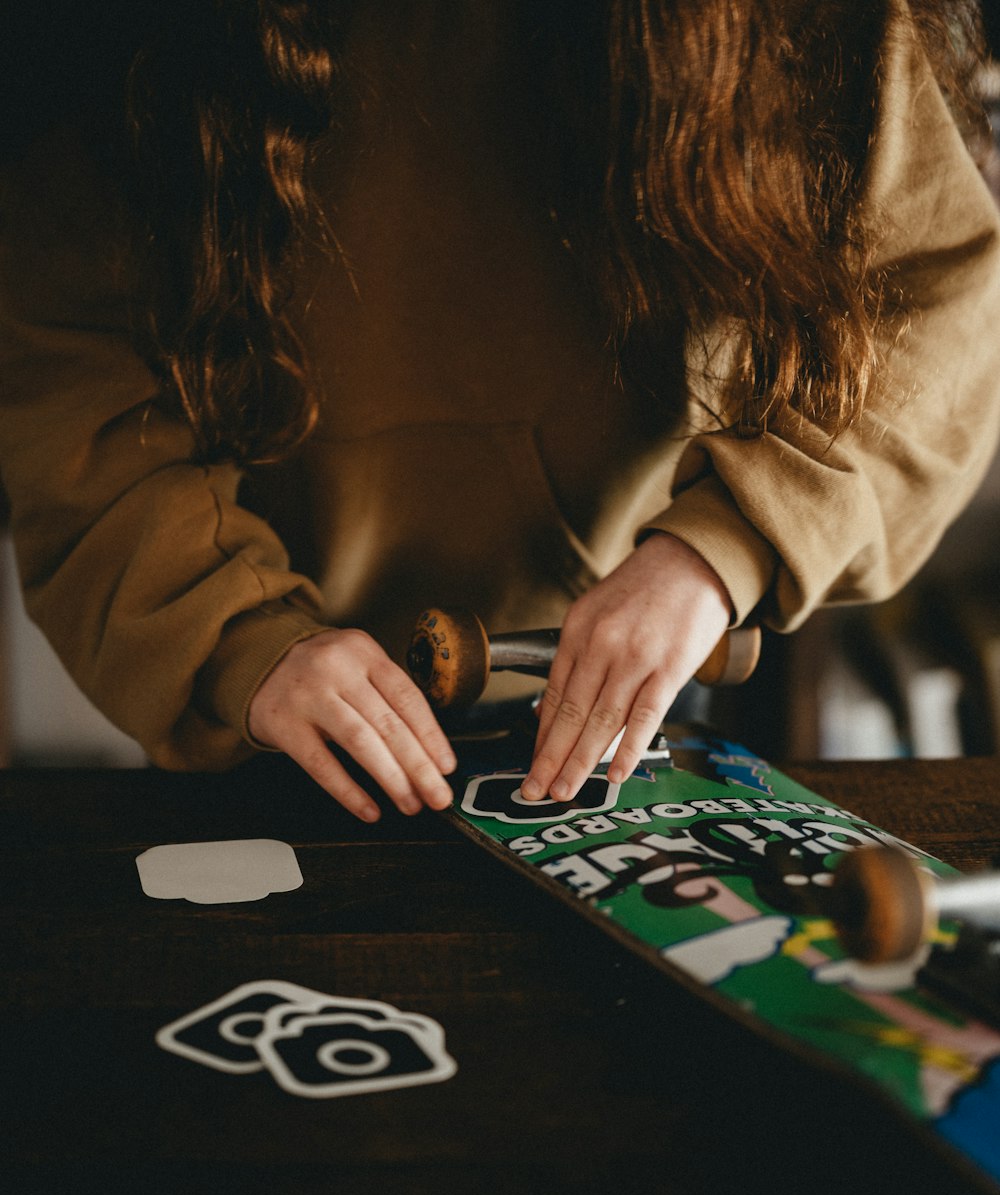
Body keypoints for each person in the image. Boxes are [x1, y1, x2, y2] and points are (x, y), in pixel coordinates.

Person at [1, 0, 998, 821]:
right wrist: (231, 638)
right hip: (261, 718)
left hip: (642, 690)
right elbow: (74, 383)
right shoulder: (128, 40)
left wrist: (720, 550)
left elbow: (941, 308)